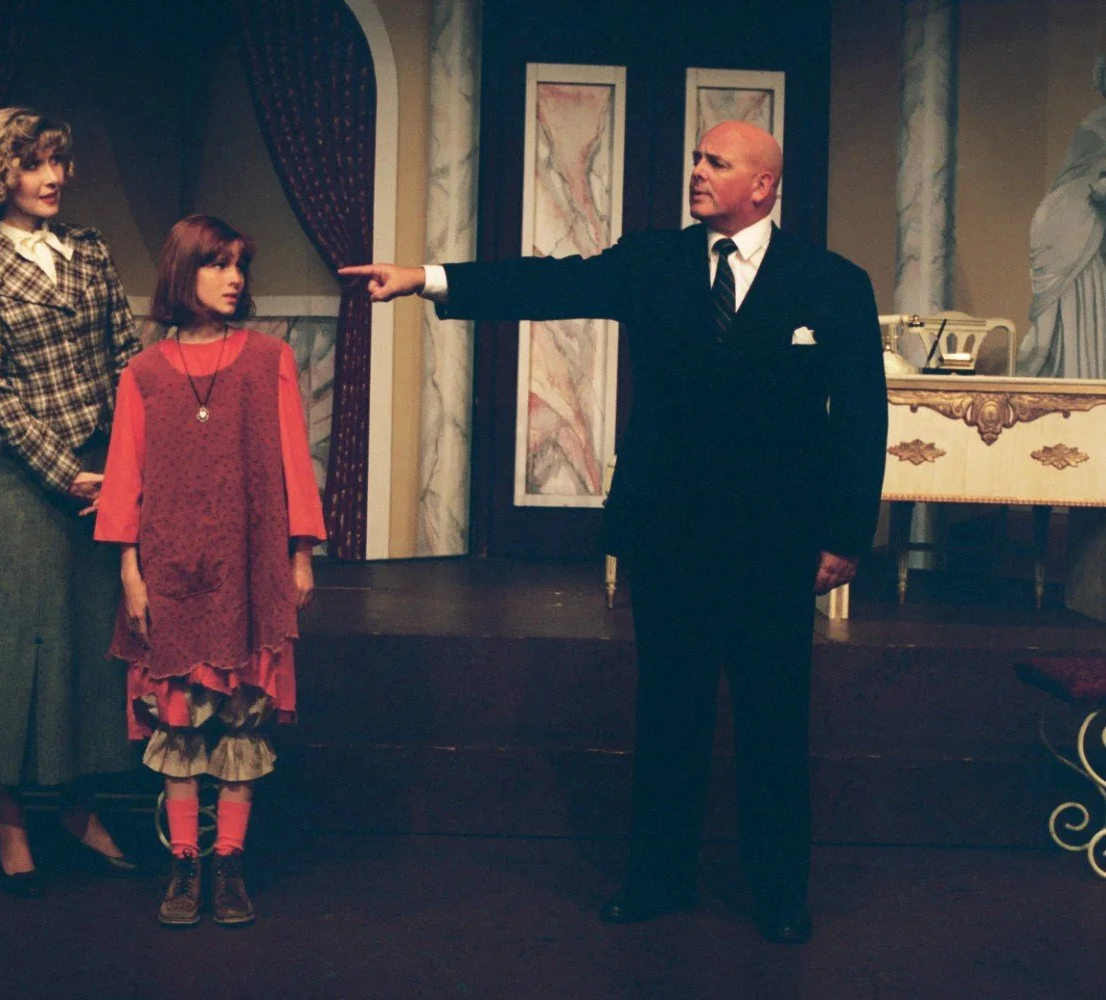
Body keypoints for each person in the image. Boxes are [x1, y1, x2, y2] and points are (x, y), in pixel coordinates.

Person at [341, 122, 887, 945]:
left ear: (764, 185)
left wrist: (846, 536)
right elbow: (550, 284)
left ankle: (779, 895)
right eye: (696, 157)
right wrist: (428, 278)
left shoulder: (834, 284)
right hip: (668, 538)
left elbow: (863, 420)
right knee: (668, 717)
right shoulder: (655, 262)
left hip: (776, 549)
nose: (695, 172)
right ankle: (657, 880)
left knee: (774, 726)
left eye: (716, 163)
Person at [0, 107, 143, 898]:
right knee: (16, 646)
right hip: (31, 478)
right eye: (31, 164)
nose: (51, 177)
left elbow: (128, 355)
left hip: (104, 469)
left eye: (57, 160)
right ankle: (12, 819)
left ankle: (80, 809)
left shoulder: (88, 250)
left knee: (95, 642)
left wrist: (123, 464)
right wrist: (66, 472)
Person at [94, 215, 325, 928]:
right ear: (181, 272)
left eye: (240, 266)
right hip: (169, 564)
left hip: (247, 564)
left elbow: (292, 459)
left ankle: (230, 863)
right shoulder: (144, 372)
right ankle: (184, 863)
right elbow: (124, 473)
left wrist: (300, 552)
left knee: (240, 722)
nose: (235, 279)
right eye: (218, 264)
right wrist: (130, 570)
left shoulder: (267, 359)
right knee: (181, 728)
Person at [1018, 54, 1106, 379]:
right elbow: (1093, 186)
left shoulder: (1094, 120)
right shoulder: (1099, 122)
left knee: (1078, 309)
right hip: (1074, 220)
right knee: (1078, 307)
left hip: (1069, 219)